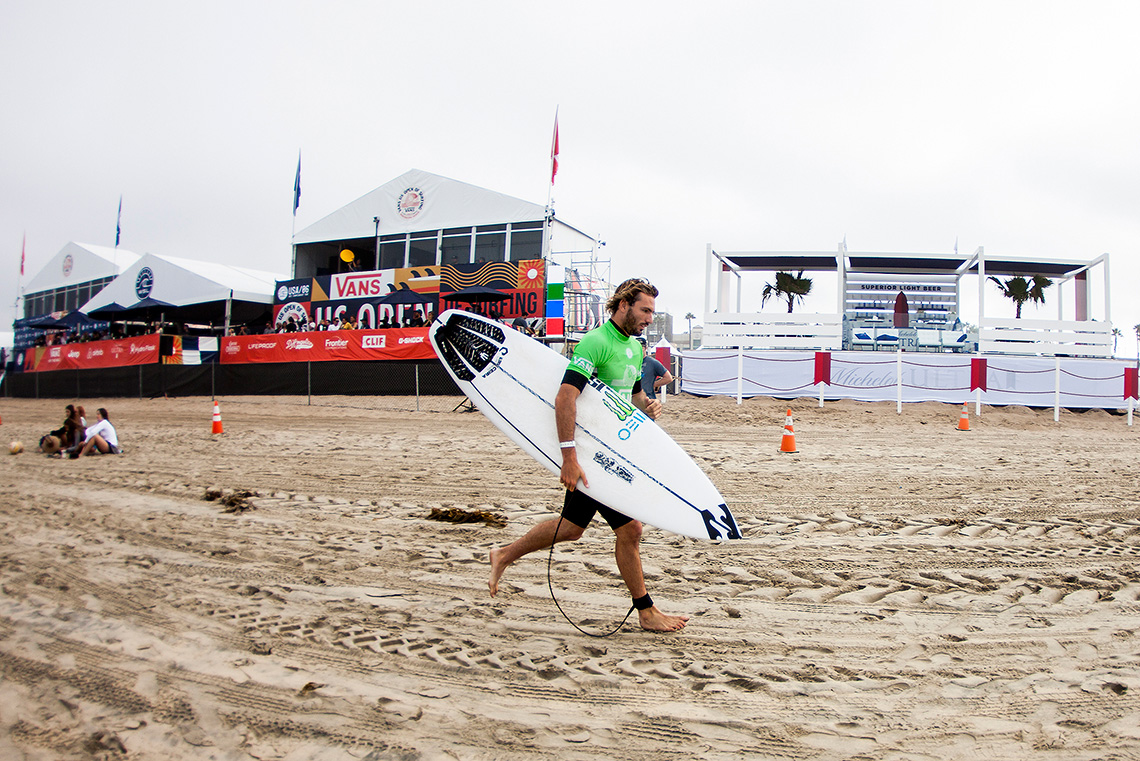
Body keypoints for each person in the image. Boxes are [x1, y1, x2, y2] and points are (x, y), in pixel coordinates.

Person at [488, 278, 688, 632]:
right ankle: (646, 611)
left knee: (571, 528)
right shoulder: (595, 343)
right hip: (589, 453)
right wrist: (569, 457)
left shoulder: (635, 348)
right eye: (645, 310)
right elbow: (565, 397)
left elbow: (633, 396)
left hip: (614, 450)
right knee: (631, 529)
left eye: (652, 312)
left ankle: (504, 554)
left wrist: (648, 408)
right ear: (624, 305)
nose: (648, 318)